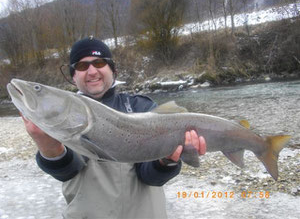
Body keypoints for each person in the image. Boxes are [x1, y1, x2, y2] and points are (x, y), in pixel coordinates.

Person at [21, 36, 206, 219]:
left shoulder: (141, 107)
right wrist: (49, 147)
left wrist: (167, 161)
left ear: (113, 70)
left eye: (99, 63)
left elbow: (150, 177)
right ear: (73, 76)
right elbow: (69, 171)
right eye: (82, 66)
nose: (92, 71)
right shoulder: (62, 115)